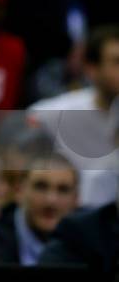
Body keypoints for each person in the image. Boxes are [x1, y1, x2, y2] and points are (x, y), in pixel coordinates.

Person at [28, 25, 119, 208]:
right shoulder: (63, 110)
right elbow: (22, 126)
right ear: (92, 69)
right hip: (75, 215)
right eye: (117, 62)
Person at [0, 153, 78, 265]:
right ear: (19, 191)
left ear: (76, 199)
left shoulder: (89, 245)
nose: (51, 200)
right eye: (41, 187)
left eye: (63, 190)